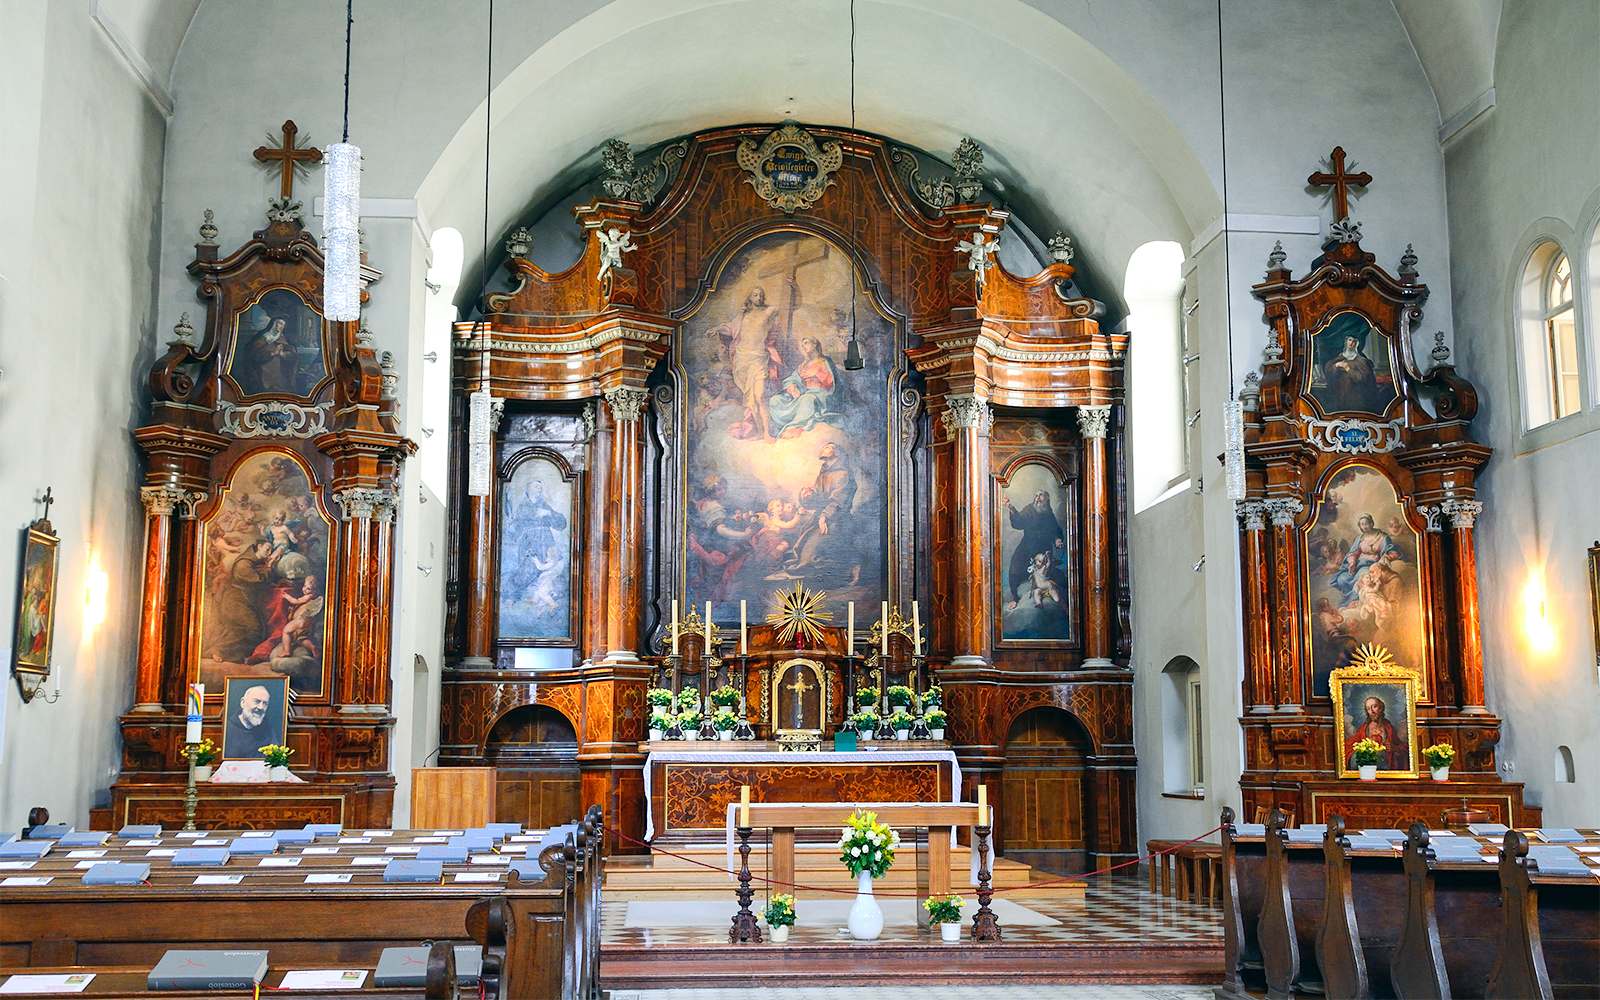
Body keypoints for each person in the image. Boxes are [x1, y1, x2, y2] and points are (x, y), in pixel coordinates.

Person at [708, 286, 781, 440]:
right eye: (755, 295)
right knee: (751, 400)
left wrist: (793, 288)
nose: (759, 298)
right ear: (750, 298)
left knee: (760, 396)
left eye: (761, 295)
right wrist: (716, 328)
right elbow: (730, 328)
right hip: (742, 360)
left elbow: (789, 306)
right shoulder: (742, 317)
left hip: (759, 358)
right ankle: (760, 432)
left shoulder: (768, 312)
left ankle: (767, 433)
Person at [766, 337, 841, 438]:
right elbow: (793, 378)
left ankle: (794, 426)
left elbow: (831, 382)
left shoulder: (824, 362)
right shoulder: (803, 365)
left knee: (807, 399)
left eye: (806, 343)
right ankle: (787, 424)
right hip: (803, 393)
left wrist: (817, 373)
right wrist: (792, 388)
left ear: (815, 345)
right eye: (802, 345)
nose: (804, 347)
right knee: (775, 400)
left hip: (819, 395)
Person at [1002, 490, 1064, 605]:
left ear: (1047, 498)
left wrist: (1057, 540)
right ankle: (1015, 598)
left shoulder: (1049, 513)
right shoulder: (1029, 509)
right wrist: (1011, 509)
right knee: (1016, 566)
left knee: (1049, 571)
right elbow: (1018, 523)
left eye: (1041, 495)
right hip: (1028, 545)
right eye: (1036, 496)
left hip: (1044, 546)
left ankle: (1047, 595)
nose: (1038, 498)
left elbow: (1055, 530)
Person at [1329, 514, 1402, 604]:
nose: (1364, 526)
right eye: (1362, 524)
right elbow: (1353, 553)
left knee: (1361, 580)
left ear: (1371, 523)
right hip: (1358, 565)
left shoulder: (1382, 536)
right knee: (1342, 579)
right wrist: (1352, 563)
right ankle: (1354, 597)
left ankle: (1352, 601)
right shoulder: (1360, 538)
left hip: (1370, 565)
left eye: (1366, 523)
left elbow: (1391, 550)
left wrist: (1389, 556)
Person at [1343, 694, 1409, 771]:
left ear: (1381, 708)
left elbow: (1402, 746)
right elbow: (1350, 746)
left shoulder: (1388, 728)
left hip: (1384, 765)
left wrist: (1396, 748)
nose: (1372, 711)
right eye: (1368, 709)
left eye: (1374, 706)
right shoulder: (1364, 729)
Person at [224, 683, 283, 758]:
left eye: (265, 703)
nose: (261, 707)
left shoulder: (268, 731)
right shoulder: (227, 728)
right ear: (243, 702)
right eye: (256, 701)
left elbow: (275, 757)